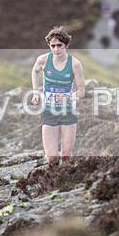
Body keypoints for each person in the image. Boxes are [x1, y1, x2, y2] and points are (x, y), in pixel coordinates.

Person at [31, 26, 85, 164]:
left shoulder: (75, 64)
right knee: (52, 158)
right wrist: (36, 92)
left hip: (68, 113)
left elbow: (81, 92)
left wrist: (68, 97)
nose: (56, 49)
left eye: (59, 45)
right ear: (49, 45)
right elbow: (35, 71)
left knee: (66, 157)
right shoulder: (43, 60)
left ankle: (65, 183)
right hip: (49, 113)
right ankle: (52, 183)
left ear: (66, 45)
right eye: (53, 46)